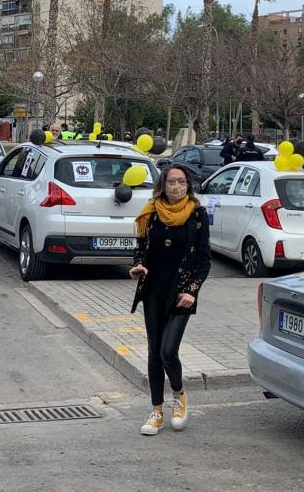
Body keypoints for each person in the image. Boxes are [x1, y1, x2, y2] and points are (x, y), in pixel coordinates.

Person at [128, 166, 211, 436]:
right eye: (172, 181)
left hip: (181, 294)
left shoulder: (196, 214)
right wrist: (139, 265)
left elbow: (204, 260)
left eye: (182, 181)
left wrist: (192, 291)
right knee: (153, 353)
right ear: (162, 184)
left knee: (167, 350)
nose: (176, 186)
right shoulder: (151, 212)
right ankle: (156, 411)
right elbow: (141, 247)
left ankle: (179, 395)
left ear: (188, 184)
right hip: (153, 290)